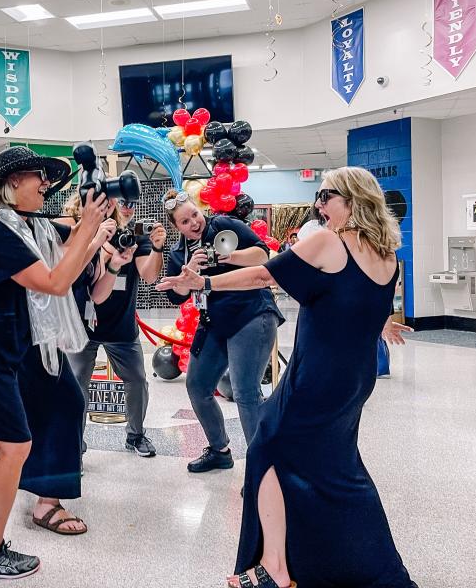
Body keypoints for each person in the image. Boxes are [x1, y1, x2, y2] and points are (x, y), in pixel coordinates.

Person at [158, 167, 417, 588]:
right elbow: (367, 303)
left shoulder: (329, 240)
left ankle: (279, 567)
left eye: (326, 194)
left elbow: (265, 274)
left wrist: (204, 280)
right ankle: (325, 562)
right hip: (353, 379)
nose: (319, 203)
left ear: (350, 199)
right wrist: (384, 324)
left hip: (317, 376)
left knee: (268, 446)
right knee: (332, 464)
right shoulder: (385, 252)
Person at [0, 147, 112, 581]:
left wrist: (96, 240)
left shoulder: (22, 228)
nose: (46, 186)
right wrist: (89, 226)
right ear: (13, 182)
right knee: (15, 444)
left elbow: (61, 260)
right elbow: (54, 282)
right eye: (39, 178)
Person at [161, 189, 283, 474]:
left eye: (194, 214)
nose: (193, 222)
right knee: (197, 385)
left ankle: (261, 468)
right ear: (176, 226)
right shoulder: (180, 252)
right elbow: (177, 295)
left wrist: (224, 257)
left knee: (245, 392)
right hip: (214, 321)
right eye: (184, 221)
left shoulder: (223, 225)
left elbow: (261, 254)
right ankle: (219, 450)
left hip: (251, 313)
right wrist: (187, 273)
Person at [62, 197, 167, 458]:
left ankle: (136, 434)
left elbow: (150, 276)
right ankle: (75, 441)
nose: (126, 206)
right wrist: (95, 240)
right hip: (81, 324)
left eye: (133, 201)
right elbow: (67, 273)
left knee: (137, 380)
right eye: (118, 201)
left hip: (120, 324)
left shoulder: (132, 237)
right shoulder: (80, 231)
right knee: (77, 385)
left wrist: (156, 248)